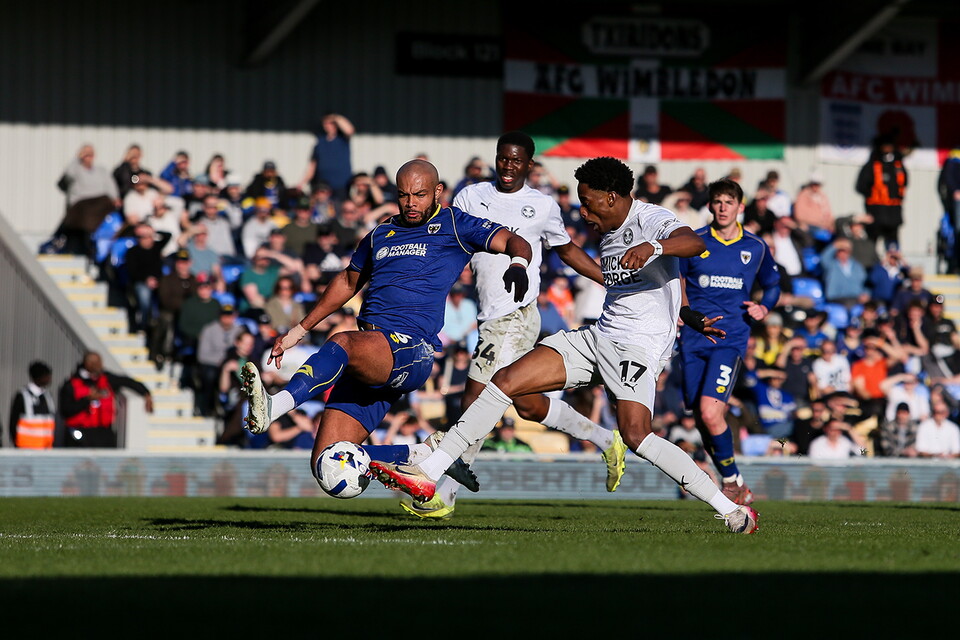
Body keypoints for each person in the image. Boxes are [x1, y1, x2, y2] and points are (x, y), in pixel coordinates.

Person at [372, 156, 758, 534]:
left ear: (611, 197)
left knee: (637, 435)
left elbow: (690, 243)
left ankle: (729, 510)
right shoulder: (606, 234)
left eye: (587, 203)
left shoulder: (649, 218)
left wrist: (654, 248)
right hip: (599, 335)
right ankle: (431, 471)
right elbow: (662, 283)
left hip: (636, 347)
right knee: (505, 381)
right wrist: (687, 312)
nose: (583, 212)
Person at [239, 159, 533, 492]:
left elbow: (513, 240)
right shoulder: (381, 232)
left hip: (411, 349)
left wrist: (519, 264)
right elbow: (348, 281)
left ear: (437, 192)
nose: (411, 203)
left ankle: (274, 405)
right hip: (373, 356)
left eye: (419, 195)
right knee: (327, 461)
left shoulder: (455, 223)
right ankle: (428, 452)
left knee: (343, 342)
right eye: (404, 195)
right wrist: (299, 330)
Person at [403, 132, 614, 520]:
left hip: (515, 315)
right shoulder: (470, 196)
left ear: (528, 165)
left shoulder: (542, 205)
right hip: (488, 314)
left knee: (475, 400)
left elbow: (566, 249)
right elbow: (448, 235)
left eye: (516, 160)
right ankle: (605, 439)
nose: (508, 166)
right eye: (503, 158)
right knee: (527, 405)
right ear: (496, 159)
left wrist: (606, 277)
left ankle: (444, 493)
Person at [677, 177, 780, 505]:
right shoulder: (693, 242)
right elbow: (677, 278)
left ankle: (733, 481)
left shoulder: (755, 246)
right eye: (717, 201)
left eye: (729, 202)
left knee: (710, 412)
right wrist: (682, 310)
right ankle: (733, 481)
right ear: (710, 205)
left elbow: (773, 284)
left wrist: (765, 306)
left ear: (740, 207)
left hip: (730, 339)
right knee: (701, 414)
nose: (723, 208)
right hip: (693, 338)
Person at [59, 351, 153, 448]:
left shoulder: (106, 379)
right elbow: (65, 410)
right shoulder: (71, 384)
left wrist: (146, 393)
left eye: (99, 362)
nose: (99, 365)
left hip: (103, 433)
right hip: (80, 433)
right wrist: (87, 400)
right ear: (87, 363)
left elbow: (128, 382)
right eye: (95, 363)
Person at [55, 144, 121, 257]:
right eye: (85, 154)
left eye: (90, 154)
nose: (88, 157)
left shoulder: (101, 171)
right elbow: (67, 176)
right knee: (83, 218)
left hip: (99, 205)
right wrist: (76, 159)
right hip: (81, 206)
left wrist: (115, 198)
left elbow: (110, 187)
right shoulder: (76, 169)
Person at [856, 135, 908, 250]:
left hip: (894, 214)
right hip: (876, 213)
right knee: (871, 245)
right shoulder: (872, 165)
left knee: (893, 246)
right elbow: (861, 186)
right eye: (885, 146)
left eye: (890, 146)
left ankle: (893, 266)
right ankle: (871, 265)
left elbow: (904, 184)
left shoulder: (898, 165)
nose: (888, 149)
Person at [299, 113, 355, 199]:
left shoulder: (342, 139)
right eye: (326, 123)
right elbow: (312, 166)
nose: (328, 126)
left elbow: (350, 130)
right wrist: (302, 183)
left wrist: (335, 117)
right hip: (323, 185)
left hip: (341, 185)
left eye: (331, 123)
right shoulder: (320, 143)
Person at [9, 361, 56, 449]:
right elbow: (13, 422)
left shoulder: (48, 396)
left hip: (46, 448)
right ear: (39, 377)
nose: (49, 378)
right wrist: (16, 443)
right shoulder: (22, 396)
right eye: (47, 376)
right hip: (26, 448)